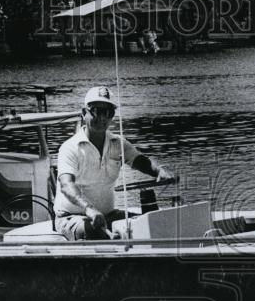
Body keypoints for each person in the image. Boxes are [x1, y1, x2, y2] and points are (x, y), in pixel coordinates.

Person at [54, 85, 173, 240]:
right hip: (72, 217)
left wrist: (159, 171)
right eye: (96, 111)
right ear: (84, 113)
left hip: (108, 215)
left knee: (147, 225)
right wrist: (89, 209)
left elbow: (141, 161)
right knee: (99, 234)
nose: (102, 117)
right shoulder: (70, 147)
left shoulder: (118, 143)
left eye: (108, 112)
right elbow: (66, 185)